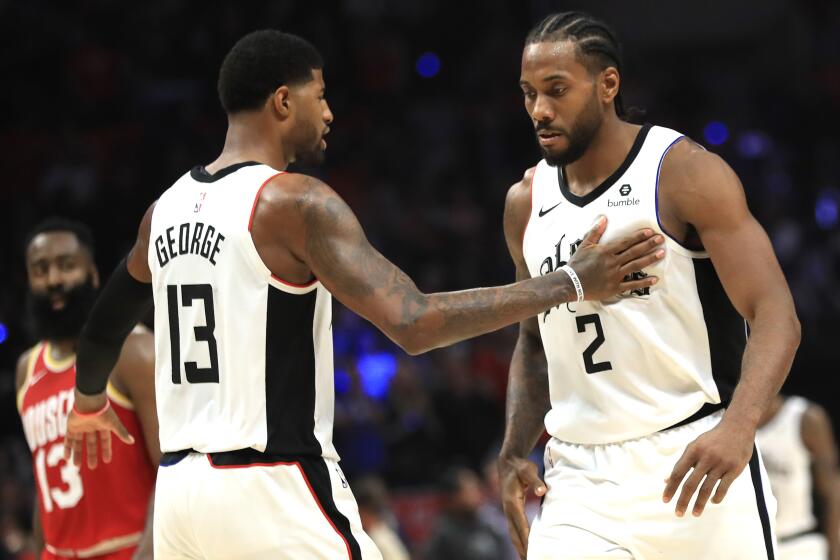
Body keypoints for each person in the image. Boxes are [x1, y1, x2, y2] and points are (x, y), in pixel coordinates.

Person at [60, 30, 663, 559]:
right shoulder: (292, 202)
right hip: (269, 485)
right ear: (283, 100)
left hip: (179, 499)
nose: (328, 113)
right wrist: (571, 281)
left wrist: (88, 400)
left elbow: (107, 320)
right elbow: (416, 323)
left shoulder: (161, 212)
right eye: (320, 96)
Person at [499, 11, 801, 560]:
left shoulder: (682, 172)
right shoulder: (525, 201)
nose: (539, 110)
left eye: (556, 90)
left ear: (607, 84)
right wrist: (514, 448)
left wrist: (739, 428)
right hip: (580, 479)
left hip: (694, 457)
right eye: (528, 94)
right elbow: (532, 342)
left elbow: (774, 311)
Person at [16, 218, 158, 560]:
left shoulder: (133, 350)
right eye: (41, 269)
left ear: (93, 274)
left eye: (67, 266)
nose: (54, 280)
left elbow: (173, 466)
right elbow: (43, 486)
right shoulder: (26, 369)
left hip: (129, 548)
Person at [756, 395, 840, 560]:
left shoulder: (804, 418)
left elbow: (831, 492)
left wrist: (835, 552)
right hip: (752, 546)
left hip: (799, 544)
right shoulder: (724, 421)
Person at [424, 467, 507, 560]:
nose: (477, 494)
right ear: (454, 497)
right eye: (470, 490)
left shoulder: (490, 527)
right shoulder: (443, 535)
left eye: (477, 488)